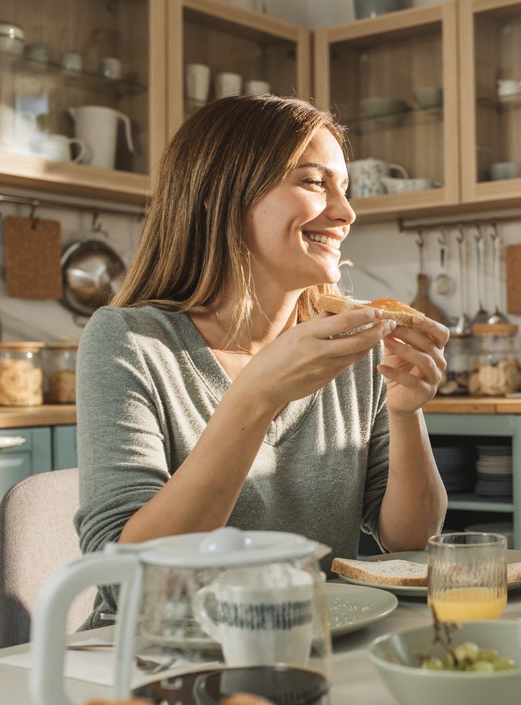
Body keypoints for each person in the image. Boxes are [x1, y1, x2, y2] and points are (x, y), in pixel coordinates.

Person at [75, 95, 449, 626]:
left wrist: (406, 412)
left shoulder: (353, 342)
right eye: (315, 182)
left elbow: (410, 541)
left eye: (346, 189)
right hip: (158, 659)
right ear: (219, 195)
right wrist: (256, 395)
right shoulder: (130, 341)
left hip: (309, 646)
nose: (346, 213)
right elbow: (128, 576)